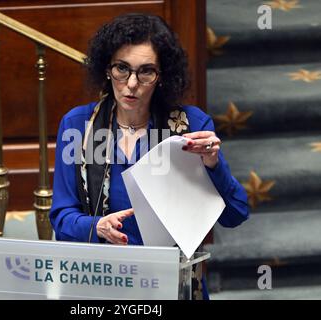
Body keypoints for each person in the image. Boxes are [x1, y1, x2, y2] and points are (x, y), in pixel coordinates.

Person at [50, 13, 249, 299]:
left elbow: (235, 214)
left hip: (173, 282)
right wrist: (97, 226)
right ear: (107, 69)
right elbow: (62, 217)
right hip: (104, 281)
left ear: (161, 76)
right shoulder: (78, 126)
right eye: (122, 69)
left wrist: (212, 164)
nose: (131, 84)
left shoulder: (192, 125)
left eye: (146, 72)